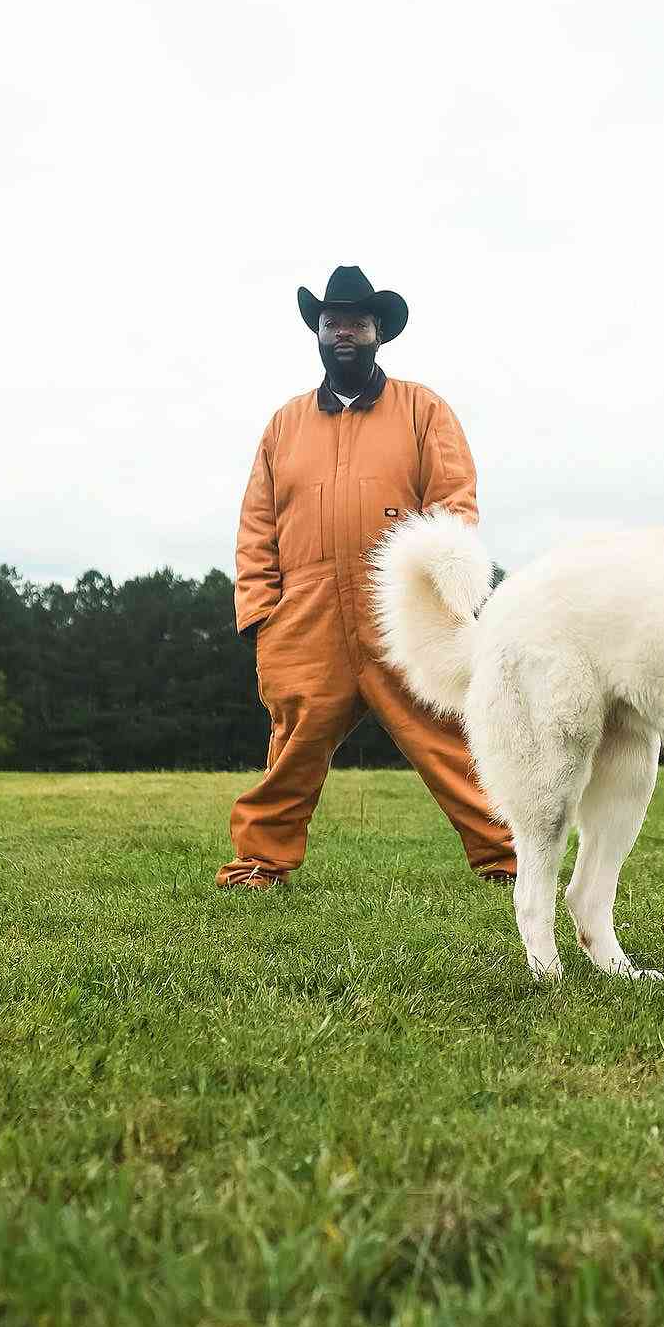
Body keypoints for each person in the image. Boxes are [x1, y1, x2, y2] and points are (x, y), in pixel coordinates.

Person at [217, 266, 517, 889]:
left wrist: (445, 596)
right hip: (303, 615)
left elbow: (454, 502)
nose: (343, 332)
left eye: (356, 322)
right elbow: (256, 524)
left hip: (401, 609)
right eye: (331, 322)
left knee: (444, 733)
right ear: (318, 334)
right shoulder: (283, 425)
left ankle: (506, 857)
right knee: (293, 744)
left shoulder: (423, 409)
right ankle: (260, 863)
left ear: (379, 332)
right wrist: (259, 610)